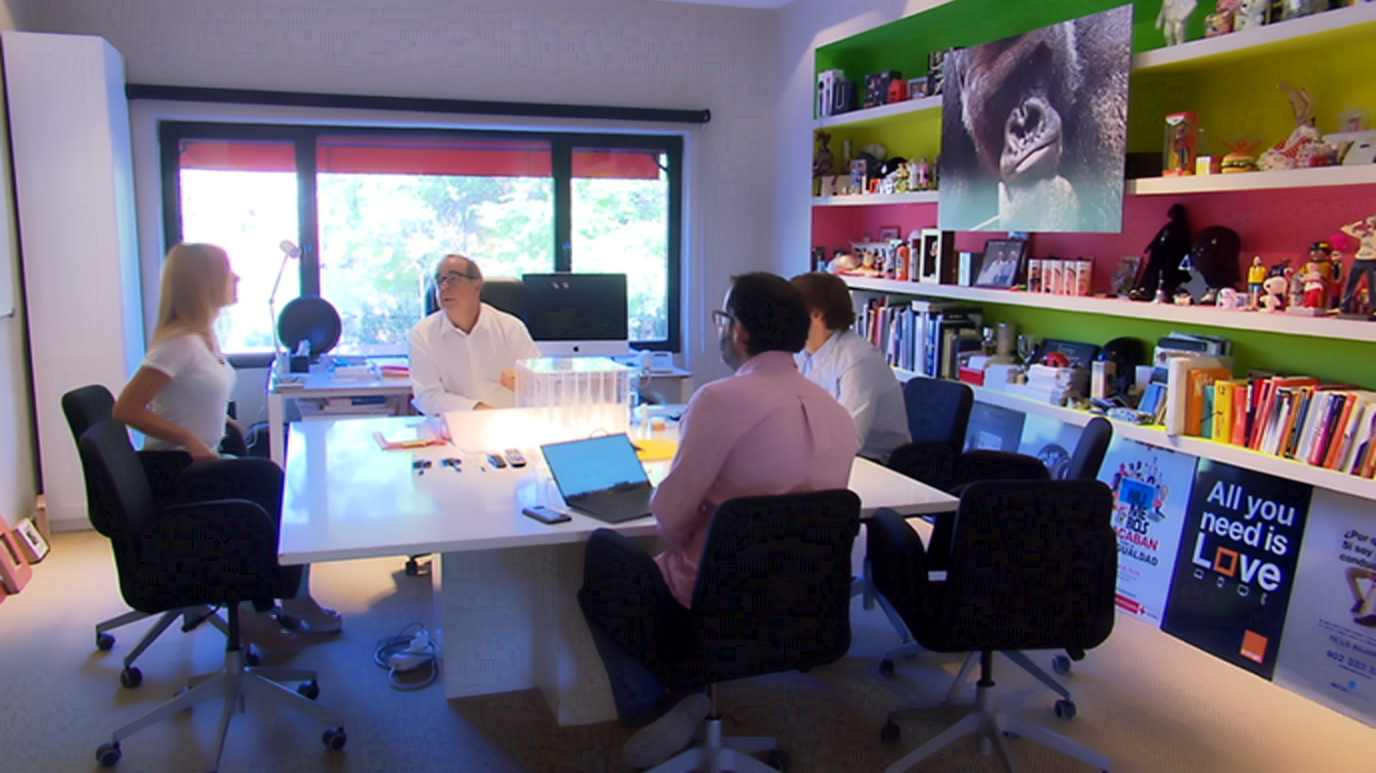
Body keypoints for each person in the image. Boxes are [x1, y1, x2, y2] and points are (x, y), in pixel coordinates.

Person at [578, 273, 859, 770]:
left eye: (721, 318)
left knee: (604, 554)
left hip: (710, 602)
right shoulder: (836, 412)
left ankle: (654, 700)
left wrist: (685, 531)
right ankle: (688, 691)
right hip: (803, 603)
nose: (719, 329)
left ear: (739, 330)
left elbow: (668, 517)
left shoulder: (719, 400)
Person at [114, 243, 340, 652]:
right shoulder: (178, 343)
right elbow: (126, 408)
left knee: (283, 489)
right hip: (176, 473)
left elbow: (189, 396)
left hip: (199, 463)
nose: (236, 278)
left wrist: (221, 423)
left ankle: (278, 598)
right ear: (201, 283)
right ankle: (266, 607)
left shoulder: (203, 338)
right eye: (226, 270)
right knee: (278, 488)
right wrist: (189, 439)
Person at [790, 271, 910, 463]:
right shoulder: (800, 353)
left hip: (873, 462)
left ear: (817, 316)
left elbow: (847, 440)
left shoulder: (858, 359)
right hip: (823, 456)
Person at [408, 254, 541, 414]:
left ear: (477, 285)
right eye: (439, 281)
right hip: (454, 424)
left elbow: (540, 385)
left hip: (510, 421)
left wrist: (527, 383)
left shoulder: (510, 328)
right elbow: (427, 397)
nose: (444, 286)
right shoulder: (422, 334)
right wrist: (477, 409)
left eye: (453, 279)